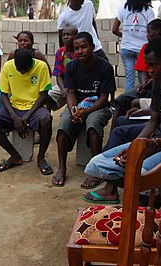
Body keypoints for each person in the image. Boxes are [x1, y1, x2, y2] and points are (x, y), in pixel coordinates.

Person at [82, 37, 161, 204]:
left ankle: (147, 202)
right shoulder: (159, 81)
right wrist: (136, 146)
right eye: (148, 65)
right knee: (95, 164)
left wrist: (147, 150)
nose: (149, 70)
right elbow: (153, 121)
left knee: (139, 171)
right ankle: (149, 195)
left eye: (154, 65)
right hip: (155, 142)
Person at [52, 32, 115, 187]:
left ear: (92, 47)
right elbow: (70, 92)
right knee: (64, 124)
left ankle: (96, 170)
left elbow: (103, 97)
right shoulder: (72, 66)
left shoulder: (105, 67)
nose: (80, 51)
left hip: (98, 106)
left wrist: (87, 111)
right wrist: (75, 110)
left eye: (84, 47)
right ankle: (62, 167)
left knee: (93, 124)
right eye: (76, 48)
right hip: (78, 104)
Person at [0, 48, 53, 174]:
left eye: (25, 70)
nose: (22, 73)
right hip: (15, 107)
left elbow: (44, 95)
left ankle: (41, 158)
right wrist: (14, 117)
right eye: (19, 70)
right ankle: (15, 156)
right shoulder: (8, 66)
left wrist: (27, 116)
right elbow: (4, 94)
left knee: (46, 119)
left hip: (34, 108)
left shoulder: (41, 66)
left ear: (31, 63)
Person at [110, 18, 161, 130]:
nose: (147, 35)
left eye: (149, 32)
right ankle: (113, 132)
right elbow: (143, 72)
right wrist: (144, 84)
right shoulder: (146, 47)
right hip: (148, 87)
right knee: (121, 100)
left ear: (157, 32)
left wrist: (151, 81)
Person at [112, 0, 155, 92]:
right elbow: (153, 29)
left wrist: (126, 36)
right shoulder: (148, 11)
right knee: (142, 80)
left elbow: (114, 29)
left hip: (126, 47)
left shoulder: (123, 9)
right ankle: (140, 101)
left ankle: (127, 104)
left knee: (129, 80)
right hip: (142, 50)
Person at [50, 25, 78, 111]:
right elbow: (58, 75)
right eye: (63, 35)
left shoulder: (80, 52)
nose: (65, 37)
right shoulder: (60, 52)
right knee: (47, 96)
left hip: (80, 86)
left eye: (69, 35)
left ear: (76, 36)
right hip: (64, 85)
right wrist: (62, 89)